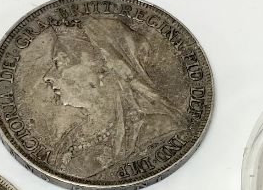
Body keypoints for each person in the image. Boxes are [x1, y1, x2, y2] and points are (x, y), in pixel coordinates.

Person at [42, 16, 188, 178]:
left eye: (61, 62)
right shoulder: (71, 139)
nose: (48, 77)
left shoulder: (158, 129)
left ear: (103, 67)